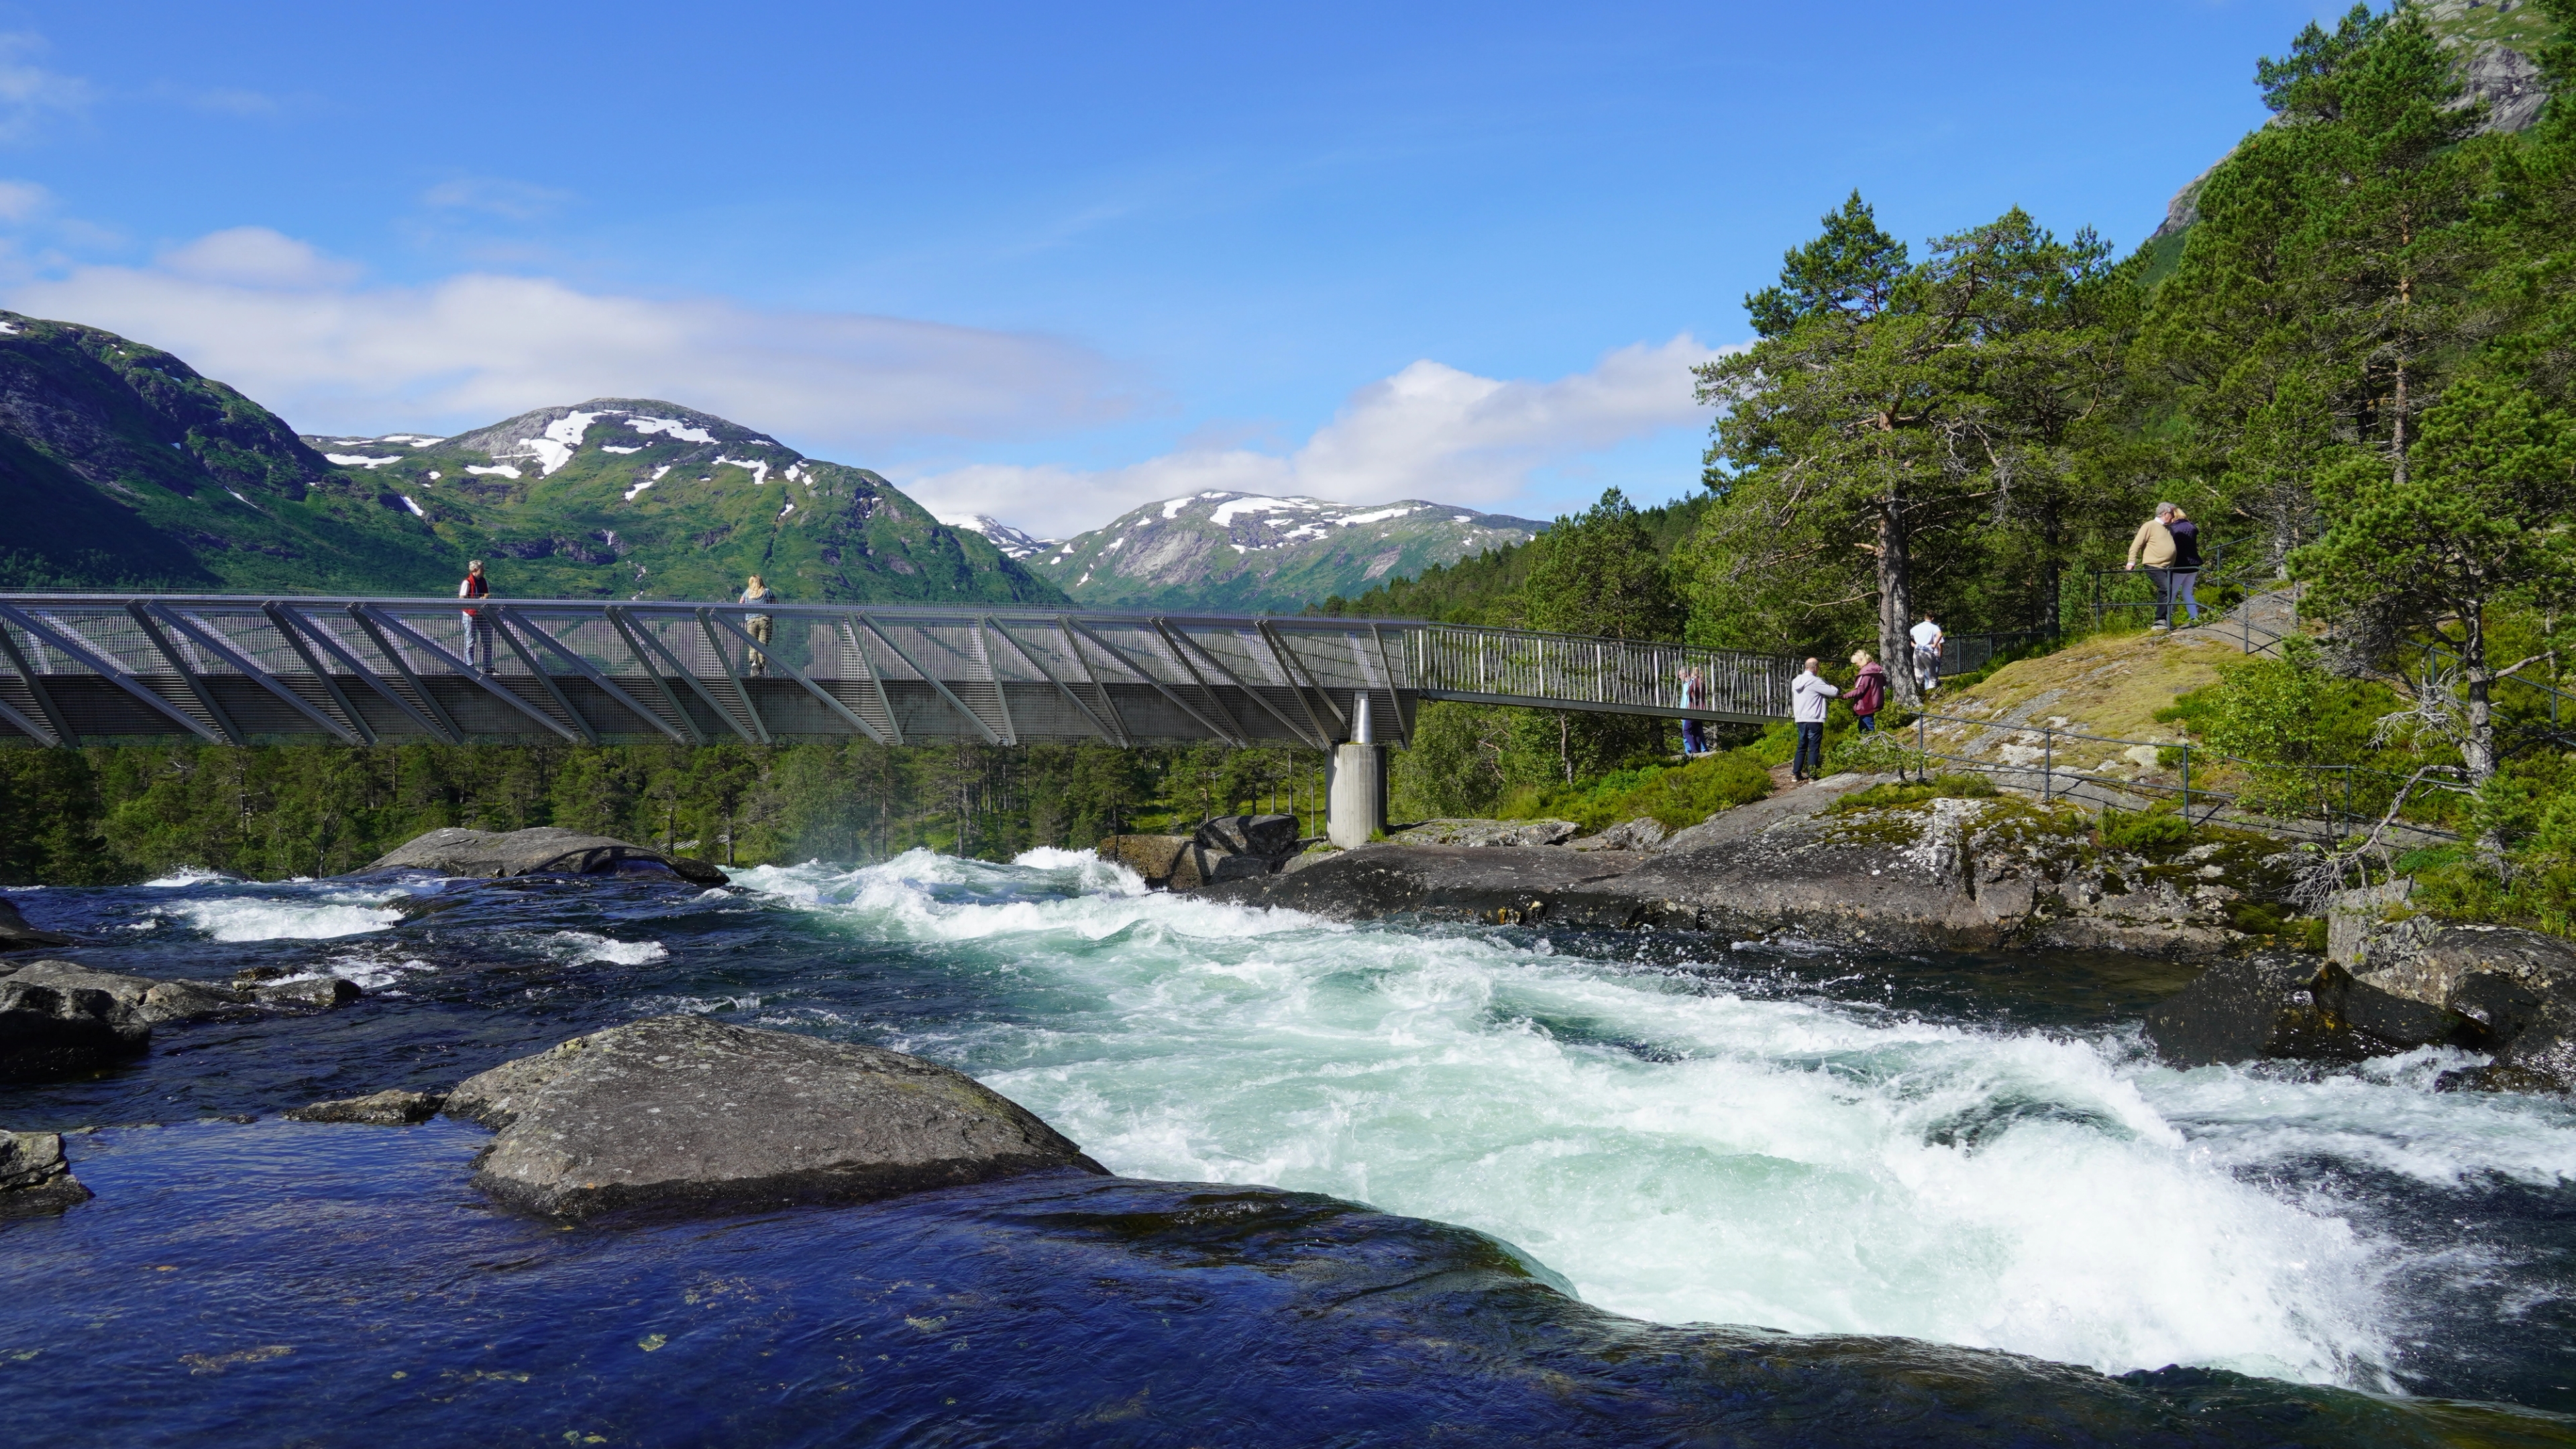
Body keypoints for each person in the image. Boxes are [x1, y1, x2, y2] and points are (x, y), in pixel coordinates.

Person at [2127, 502, 2179, 629]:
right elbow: (2136, 544)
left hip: (2168, 567)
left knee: (2170, 590)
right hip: (2154, 565)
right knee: (2167, 588)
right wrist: (2131, 561)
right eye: (2172, 514)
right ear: (2165, 513)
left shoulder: (2168, 528)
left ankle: (2166, 621)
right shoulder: (2149, 526)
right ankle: (2159, 621)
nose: (2173, 517)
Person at [1790, 656, 1838, 782]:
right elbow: (1833, 693)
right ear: (1816, 667)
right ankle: (1812, 775)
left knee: (1801, 746)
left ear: (1806, 667)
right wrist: (1834, 687)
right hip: (1814, 719)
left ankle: (1796, 774)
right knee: (1814, 748)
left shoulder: (1796, 681)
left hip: (1801, 718)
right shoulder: (1816, 681)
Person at [2166, 506, 2203, 625]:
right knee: (2187, 591)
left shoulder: (2173, 529)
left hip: (2181, 565)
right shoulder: (2191, 526)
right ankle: (2195, 617)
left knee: (2171, 592)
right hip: (2194, 564)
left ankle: (2167, 620)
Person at [739, 573, 777, 678]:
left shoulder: (747, 593)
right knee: (762, 644)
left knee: (752, 644)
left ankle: (753, 663)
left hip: (751, 620)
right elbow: (775, 603)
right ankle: (760, 669)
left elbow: (741, 602)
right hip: (765, 619)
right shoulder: (767, 591)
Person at [456, 559, 491, 674]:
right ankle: (470, 665)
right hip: (470, 613)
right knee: (471, 640)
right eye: (482, 569)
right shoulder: (467, 582)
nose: (484, 571)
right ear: (475, 570)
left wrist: (484, 597)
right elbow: (462, 598)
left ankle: (488, 667)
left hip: (481, 613)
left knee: (487, 639)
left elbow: (486, 593)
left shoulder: (483, 581)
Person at [1848, 649, 1887, 733]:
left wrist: (1843, 696)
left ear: (1861, 660)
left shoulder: (1865, 674)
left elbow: (1859, 690)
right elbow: (1884, 683)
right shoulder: (1877, 671)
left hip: (1866, 704)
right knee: (1863, 726)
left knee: (1867, 728)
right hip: (1875, 702)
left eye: (1856, 662)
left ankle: (1871, 743)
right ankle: (1869, 743)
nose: (1857, 665)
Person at [1908, 614, 1943, 695]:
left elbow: (1907, 635)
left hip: (1917, 651)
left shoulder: (1917, 627)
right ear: (1933, 618)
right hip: (1928, 651)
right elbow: (1940, 635)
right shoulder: (1934, 627)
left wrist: (1914, 645)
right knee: (1932, 676)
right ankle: (1931, 695)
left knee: (1918, 675)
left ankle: (1916, 694)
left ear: (1924, 618)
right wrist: (1934, 645)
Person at [1678, 665, 1708, 755]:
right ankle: (1700, 749)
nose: (1679, 677)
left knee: (1686, 731)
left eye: (1680, 675)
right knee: (1696, 731)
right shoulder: (1699, 683)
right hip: (1695, 709)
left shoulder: (1693, 683)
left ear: (1687, 674)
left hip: (1690, 710)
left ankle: (1692, 750)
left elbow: (1688, 696)